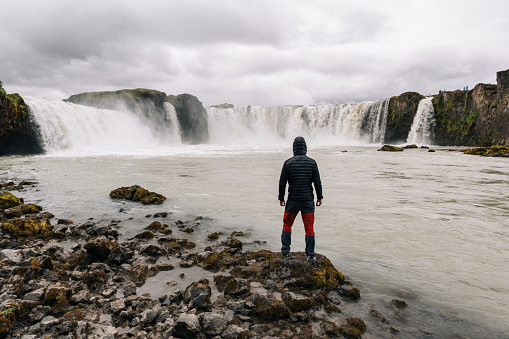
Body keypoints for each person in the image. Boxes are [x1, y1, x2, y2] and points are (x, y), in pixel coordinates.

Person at [278, 136, 323, 263]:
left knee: (287, 224)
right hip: (308, 201)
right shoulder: (312, 162)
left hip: (292, 200)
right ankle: (310, 255)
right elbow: (317, 182)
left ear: (293, 148)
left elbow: (282, 183)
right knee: (309, 228)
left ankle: (286, 252)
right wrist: (320, 197)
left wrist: (281, 198)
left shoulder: (288, 163)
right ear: (305, 148)